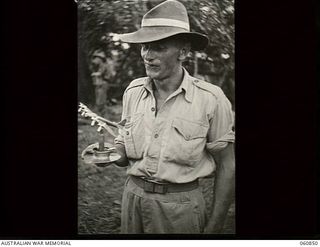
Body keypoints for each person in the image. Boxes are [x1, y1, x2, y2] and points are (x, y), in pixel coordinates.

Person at [113, 0, 235, 234]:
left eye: (158, 47)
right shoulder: (133, 91)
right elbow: (123, 144)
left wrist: (215, 225)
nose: (147, 56)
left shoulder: (211, 98)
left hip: (180, 211)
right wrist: (112, 153)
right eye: (144, 46)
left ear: (183, 51)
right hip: (132, 200)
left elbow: (227, 165)